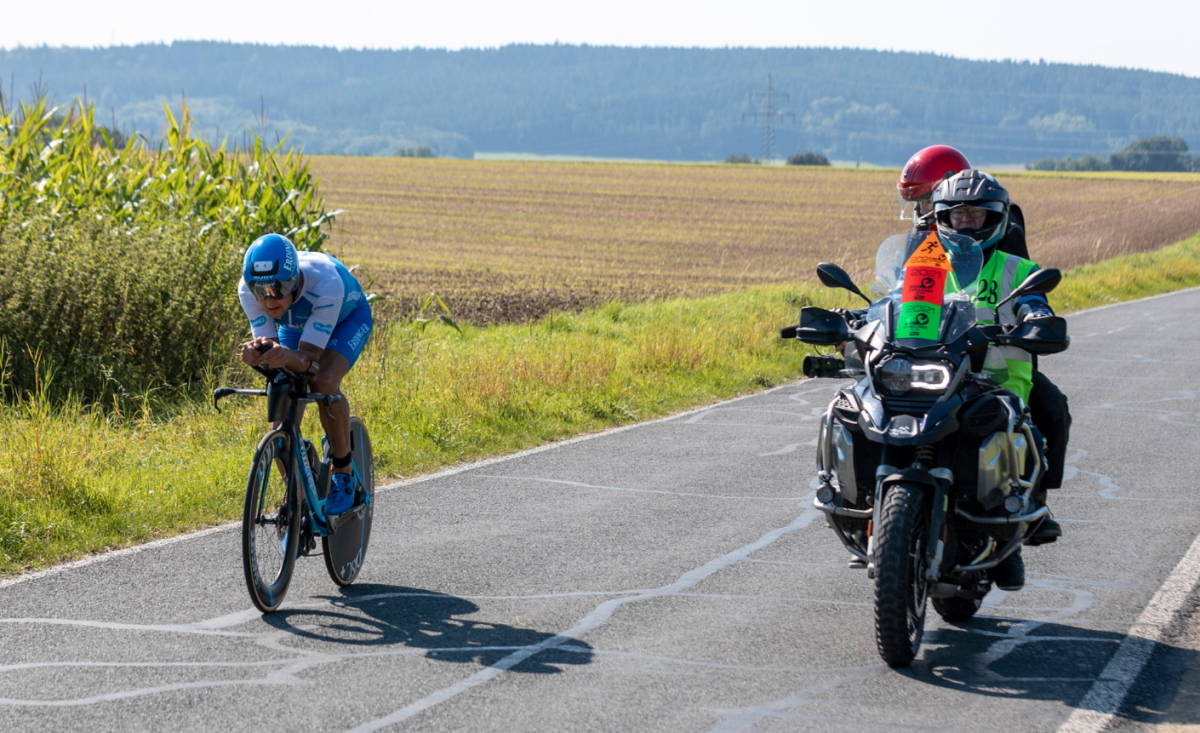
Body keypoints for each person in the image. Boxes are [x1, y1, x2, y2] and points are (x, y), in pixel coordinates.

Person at [929, 169, 1068, 591]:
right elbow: (895, 299)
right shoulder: (926, 262)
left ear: (996, 218)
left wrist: (1036, 315)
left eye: (975, 214)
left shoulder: (1017, 267)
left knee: (1052, 411)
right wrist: (865, 318)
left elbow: (1032, 299)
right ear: (943, 218)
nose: (965, 222)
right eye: (956, 215)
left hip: (999, 379)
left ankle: (1032, 510)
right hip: (937, 372)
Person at [238, 233, 373, 515]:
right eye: (260, 291)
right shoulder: (246, 291)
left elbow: (310, 360)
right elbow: (271, 350)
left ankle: (343, 471)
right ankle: (297, 496)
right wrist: (257, 357)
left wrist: (289, 356)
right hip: (297, 325)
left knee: (322, 380)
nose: (268, 299)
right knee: (281, 402)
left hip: (345, 320)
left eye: (278, 288)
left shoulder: (326, 284)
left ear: (295, 280)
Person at [897, 144, 1030, 258]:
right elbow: (908, 277)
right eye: (917, 203)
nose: (920, 211)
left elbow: (1017, 277)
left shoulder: (997, 221)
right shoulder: (922, 232)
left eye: (927, 201)